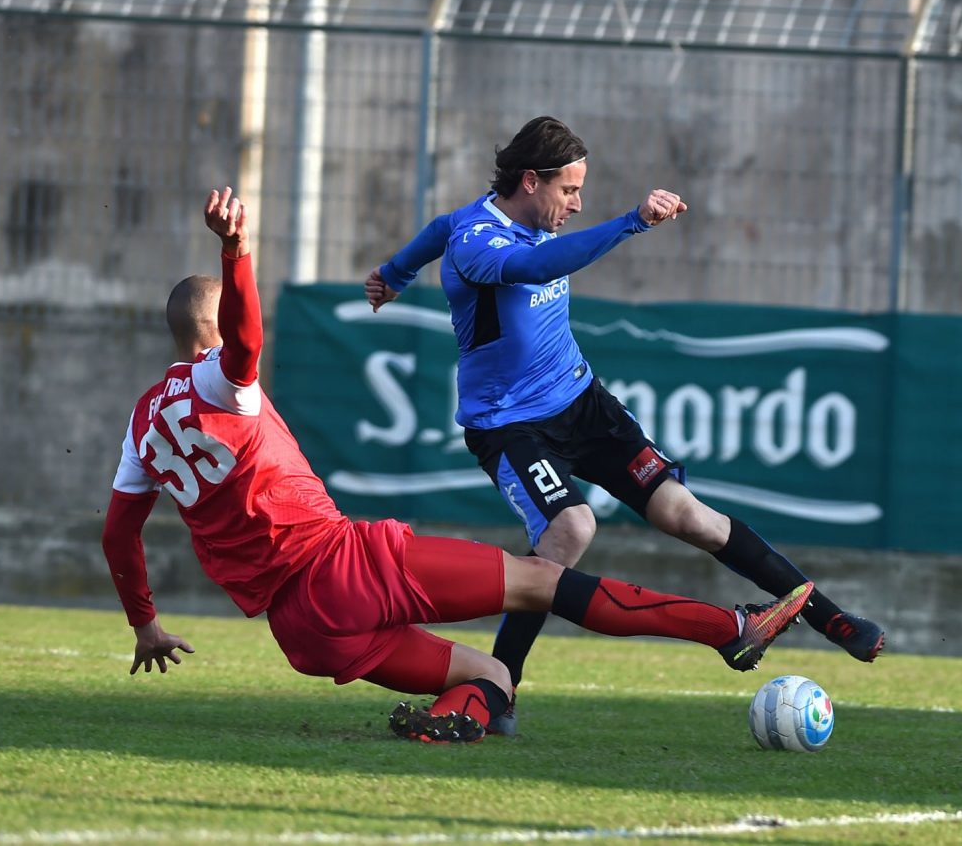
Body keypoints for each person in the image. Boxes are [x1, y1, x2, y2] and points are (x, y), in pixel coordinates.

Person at [101, 186, 814, 745]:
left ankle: (461, 718)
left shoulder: (140, 421)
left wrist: (145, 624)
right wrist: (237, 251)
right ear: (216, 326)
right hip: (343, 566)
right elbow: (248, 342)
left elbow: (118, 534)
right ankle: (729, 628)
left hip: (301, 630)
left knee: (494, 674)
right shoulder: (223, 380)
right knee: (543, 581)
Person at [364, 116, 885, 736]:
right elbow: (530, 263)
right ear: (530, 181)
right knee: (569, 528)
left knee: (689, 516)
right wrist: (631, 221)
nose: (578, 204)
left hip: (583, 403)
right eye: (569, 190)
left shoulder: (473, 224)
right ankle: (498, 687)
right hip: (509, 424)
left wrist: (394, 273)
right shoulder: (480, 241)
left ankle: (833, 620)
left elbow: (432, 230)